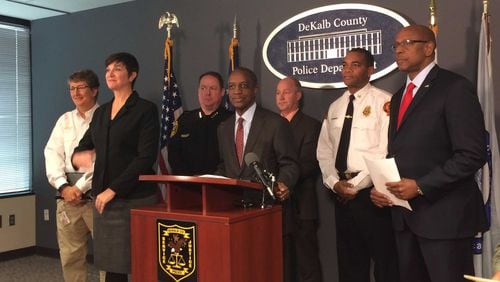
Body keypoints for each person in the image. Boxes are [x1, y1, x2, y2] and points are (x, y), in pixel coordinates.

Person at [370, 25, 487, 282]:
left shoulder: (454, 88)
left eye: (407, 43)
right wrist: (384, 189)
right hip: (406, 219)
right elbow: (401, 152)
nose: (399, 49)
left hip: (445, 221)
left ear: (429, 47)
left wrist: (421, 186)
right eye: (396, 45)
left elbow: (471, 154)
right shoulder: (400, 96)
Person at [72, 52, 160, 282]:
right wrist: (79, 157)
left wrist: (114, 190)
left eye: (117, 69)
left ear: (132, 75)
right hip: (105, 202)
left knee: (142, 264)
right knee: (113, 268)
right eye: (108, 69)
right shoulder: (101, 113)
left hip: (135, 198)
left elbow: (145, 157)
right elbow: (82, 148)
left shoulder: (145, 110)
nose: (110, 73)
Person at [316, 48, 399, 282]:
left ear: (370, 70)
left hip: (372, 194)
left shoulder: (385, 102)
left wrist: (355, 185)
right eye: (344, 65)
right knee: (350, 263)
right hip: (341, 194)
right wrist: (334, 183)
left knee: (385, 262)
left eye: (355, 64)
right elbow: (324, 152)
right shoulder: (335, 107)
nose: (347, 70)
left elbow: (385, 151)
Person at [214, 67, 300, 281]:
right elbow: (226, 166)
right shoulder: (223, 128)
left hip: (266, 213)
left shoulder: (274, 123)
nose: (237, 91)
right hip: (233, 216)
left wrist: (283, 184)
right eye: (232, 86)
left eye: (243, 86)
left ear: (255, 90)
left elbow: (290, 164)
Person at [44, 70, 99, 282]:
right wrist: (63, 186)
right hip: (67, 198)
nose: (75, 93)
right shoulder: (64, 120)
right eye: (72, 88)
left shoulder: (106, 117)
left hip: (97, 197)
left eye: (81, 87)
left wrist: (81, 188)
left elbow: (104, 160)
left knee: (106, 258)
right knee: (70, 257)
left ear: (94, 90)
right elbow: (52, 153)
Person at [275, 76, 323, 282]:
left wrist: (285, 182)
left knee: (306, 263)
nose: (281, 96)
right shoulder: (270, 124)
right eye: (277, 92)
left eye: (286, 92)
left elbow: (309, 163)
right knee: (280, 263)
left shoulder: (311, 125)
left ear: (298, 95)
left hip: (302, 205)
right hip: (274, 205)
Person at [168, 71, 231, 175]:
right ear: (198, 91)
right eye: (203, 88)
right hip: (187, 184)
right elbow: (173, 154)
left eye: (213, 88)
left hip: (219, 185)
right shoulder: (185, 119)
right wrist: (189, 178)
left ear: (222, 92)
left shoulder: (230, 120)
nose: (207, 93)